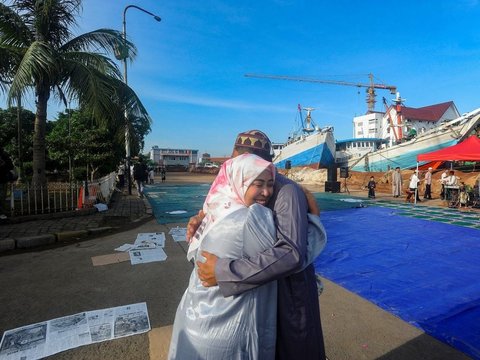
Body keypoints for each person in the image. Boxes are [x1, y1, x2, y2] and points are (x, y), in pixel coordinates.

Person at [190, 130, 326, 360]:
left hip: (286, 294)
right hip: (254, 292)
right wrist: (199, 221)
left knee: (290, 350)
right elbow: (219, 213)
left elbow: (291, 253)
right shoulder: (236, 184)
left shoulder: (286, 193)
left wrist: (222, 271)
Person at [168, 153, 278, 359]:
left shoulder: (215, 208)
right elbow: (290, 259)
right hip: (227, 333)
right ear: (239, 181)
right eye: (258, 184)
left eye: (271, 184)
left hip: (193, 318)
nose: (267, 192)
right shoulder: (251, 218)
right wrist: (313, 214)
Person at [0, 147, 15, 219]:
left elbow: (10, 166)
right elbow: (11, 166)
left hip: (3, 179)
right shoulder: (5, 155)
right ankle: (1, 213)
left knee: (2, 197)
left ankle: (2, 213)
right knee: (2, 197)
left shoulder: (4, 156)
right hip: (3, 179)